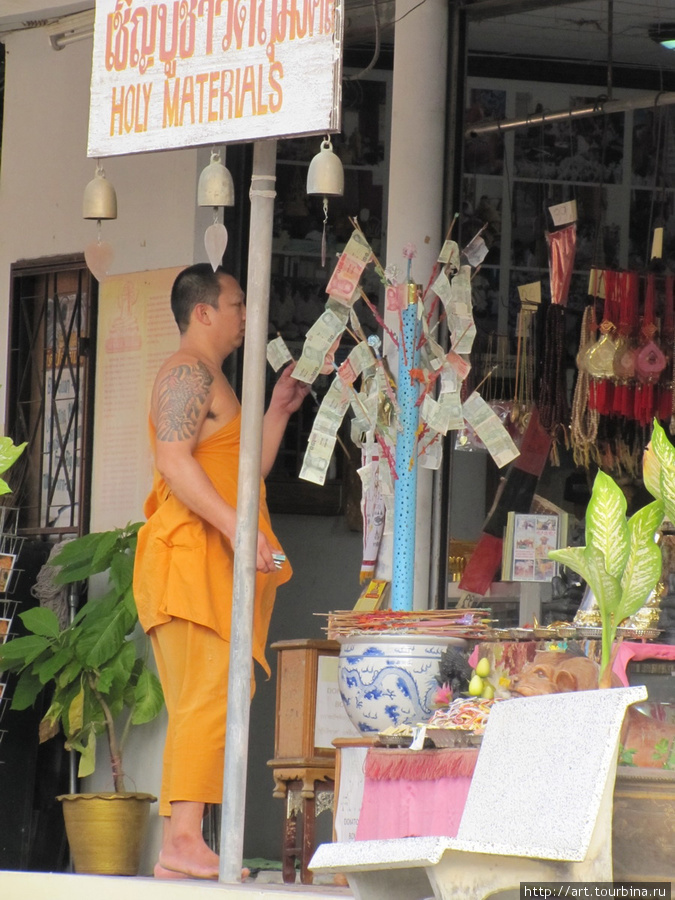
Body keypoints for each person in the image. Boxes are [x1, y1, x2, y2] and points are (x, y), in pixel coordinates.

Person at [132, 263, 310, 880]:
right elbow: (175, 462)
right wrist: (238, 528)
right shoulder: (186, 371)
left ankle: (185, 841)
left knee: (217, 698)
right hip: (187, 560)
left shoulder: (217, 380)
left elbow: (240, 469)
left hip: (210, 564)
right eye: (237, 304)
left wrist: (280, 412)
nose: (245, 316)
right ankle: (182, 838)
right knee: (205, 698)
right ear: (203, 311)